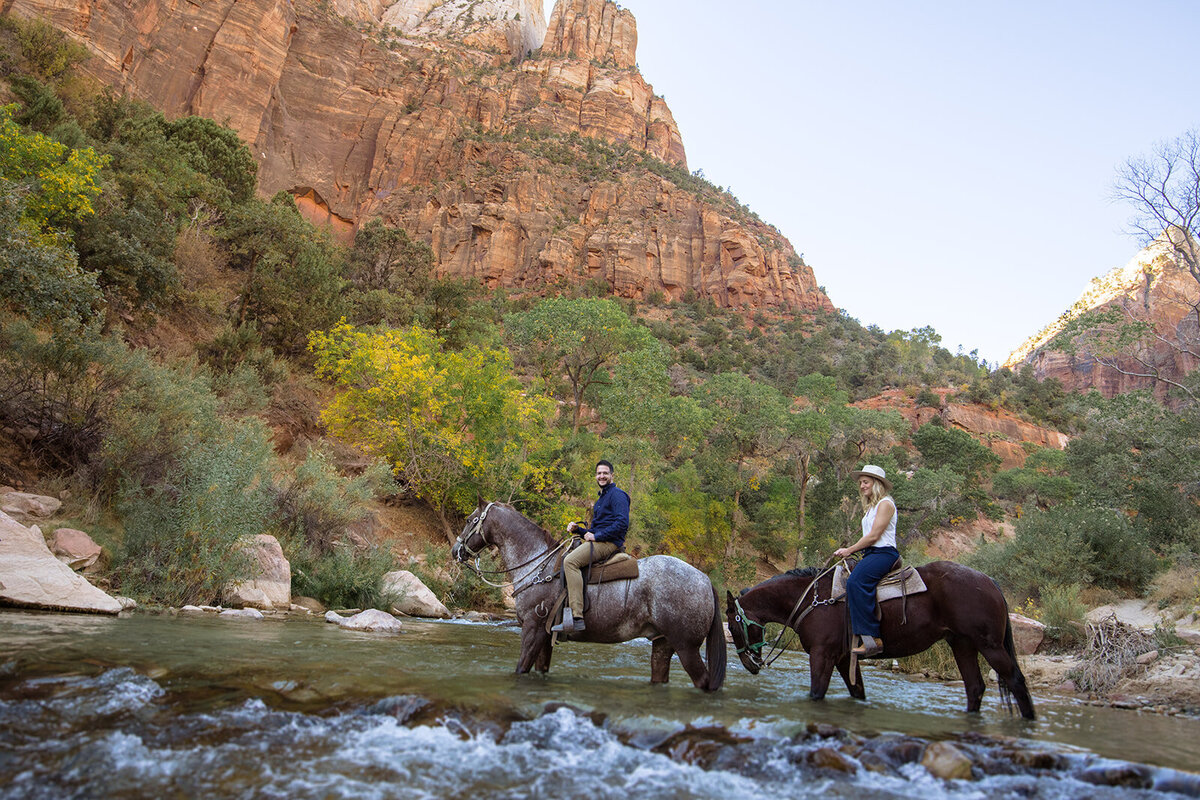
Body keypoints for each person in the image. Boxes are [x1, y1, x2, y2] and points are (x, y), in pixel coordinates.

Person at [551, 459, 629, 633]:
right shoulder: (602, 498)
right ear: (596, 475)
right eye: (599, 473)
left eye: (605, 473)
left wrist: (597, 535)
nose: (602, 476)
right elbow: (594, 529)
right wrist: (578, 530)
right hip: (599, 540)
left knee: (569, 562)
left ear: (612, 475)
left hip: (609, 543)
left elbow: (622, 523)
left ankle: (576, 617)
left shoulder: (617, 495)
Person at [833, 464, 900, 657]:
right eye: (861, 483)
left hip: (884, 553)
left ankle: (872, 639)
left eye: (865, 482)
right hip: (871, 554)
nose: (862, 486)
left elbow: (874, 536)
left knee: (856, 582)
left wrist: (849, 549)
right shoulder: (871, 507)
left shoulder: (886, 504)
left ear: (876, 484)